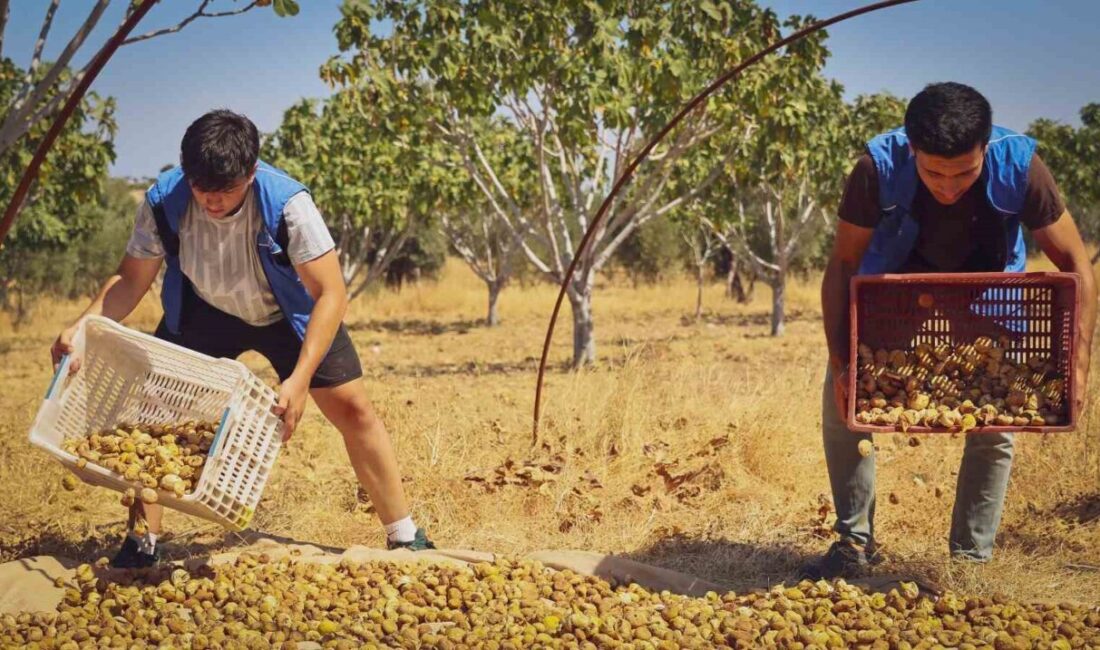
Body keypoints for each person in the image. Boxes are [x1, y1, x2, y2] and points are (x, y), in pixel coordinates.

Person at [51, 109, 435, 567]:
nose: (212, 203)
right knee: (150, 414)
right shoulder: (162, 202)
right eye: (202, 190)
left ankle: (403, 534)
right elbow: (131, 280)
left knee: (353, 409)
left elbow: (331, 292)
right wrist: (84, 325)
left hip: (286, 314)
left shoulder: (288, 204)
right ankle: (143, 542)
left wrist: (299, 379)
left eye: (226, 191)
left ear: (251, 174)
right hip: (203, 309)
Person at [803, 82, 1097, 579]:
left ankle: (970, 561)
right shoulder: (877, 169)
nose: (948, 186)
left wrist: (1080, 367)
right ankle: (854, 542)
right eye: (933, 172)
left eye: (964, 172)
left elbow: (1076, 264)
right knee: (845, 409)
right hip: (893, 289)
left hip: (988, 292)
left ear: (985, 147)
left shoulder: (1021, 168)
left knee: (997, 422)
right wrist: (842, 364)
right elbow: (843, 264)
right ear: (912, 148)